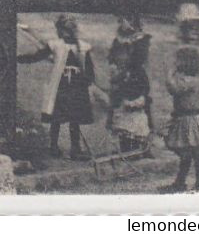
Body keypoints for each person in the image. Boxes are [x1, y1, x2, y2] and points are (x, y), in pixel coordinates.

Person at [23, 15, 104, 159]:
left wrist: (88, 80)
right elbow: (37, 56)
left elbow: (89, 68)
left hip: (74, 86)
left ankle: (73, 148)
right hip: (64, 86)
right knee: (59, 117)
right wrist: (21, 59)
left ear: (63, 30)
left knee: (71, 118)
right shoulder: (56, 45)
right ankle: (56, 147)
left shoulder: (83, 47)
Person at [162, 45, 199, 192]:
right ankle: (186, 182)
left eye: (178, 60)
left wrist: (169, 75)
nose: (176, 63)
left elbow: (174, 89)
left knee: (193, 153)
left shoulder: (187, 81)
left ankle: (195, 183)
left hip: (189, 119)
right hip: (193, 118)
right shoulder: (197, 78)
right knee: (191, 153)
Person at [107, 12, 154, 154]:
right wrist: (115, 68)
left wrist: (127, 65)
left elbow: (139, 60)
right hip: (122, 77)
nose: (121, 24)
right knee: (120, 106)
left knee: (139, 108)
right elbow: (112, 58)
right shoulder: (118, 40)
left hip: (136, 76)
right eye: (120, 21)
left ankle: (143, 145)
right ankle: (125, 144)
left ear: (132, 21)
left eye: (123, 21)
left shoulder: (141, 39)